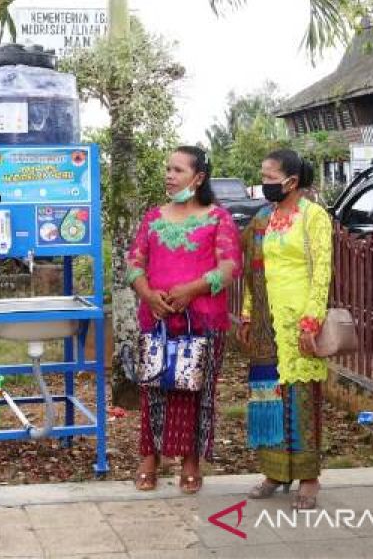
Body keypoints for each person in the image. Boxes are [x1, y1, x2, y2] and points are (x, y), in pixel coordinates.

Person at [128, 146, 242, 495]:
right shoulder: (153, 218)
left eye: (177, 170)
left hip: (202, 322)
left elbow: (230, 267)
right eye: (168, 169)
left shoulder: (217, 218)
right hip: (158, 320)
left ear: (199, 177)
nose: (169, 175)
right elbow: (134, 264)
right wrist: (148, 295)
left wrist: (192, 290)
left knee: (197, 392)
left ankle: (191, 462)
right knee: (153, 390)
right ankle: (150, 458)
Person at [238, 149, 332, 510]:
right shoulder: (262, 218)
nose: (264, 184)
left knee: (301, 399)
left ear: (291, 181)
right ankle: (275, 472)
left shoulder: (313, 217)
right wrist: (247, 314)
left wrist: (312, 321)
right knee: (269, 397)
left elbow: (322, 271)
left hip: (299, 321)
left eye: (270, 177)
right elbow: (251, 272)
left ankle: (308, 478)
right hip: (265, 322)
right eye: (262, 176)